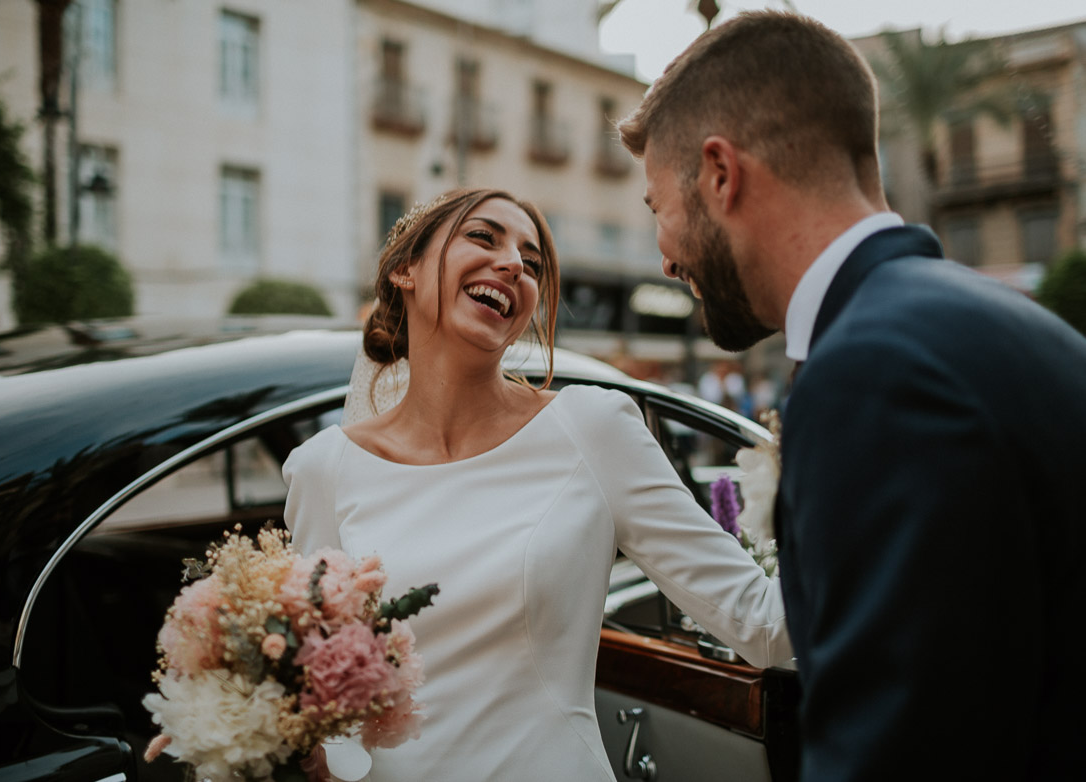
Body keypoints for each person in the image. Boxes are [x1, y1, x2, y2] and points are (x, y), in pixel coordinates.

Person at [618, 11, 1086, 781]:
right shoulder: (1000, 324)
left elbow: (899, 746)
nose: (663, 254)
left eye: (656, 207)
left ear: (718, 174)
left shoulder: (872, 373)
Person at [282, 187, 792, 781]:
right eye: (482, 236)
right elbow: (316, 689)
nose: (515, 265)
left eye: (533, 261)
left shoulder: (593, 430)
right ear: (405, 270)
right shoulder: (324, 468)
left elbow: (760, 623)